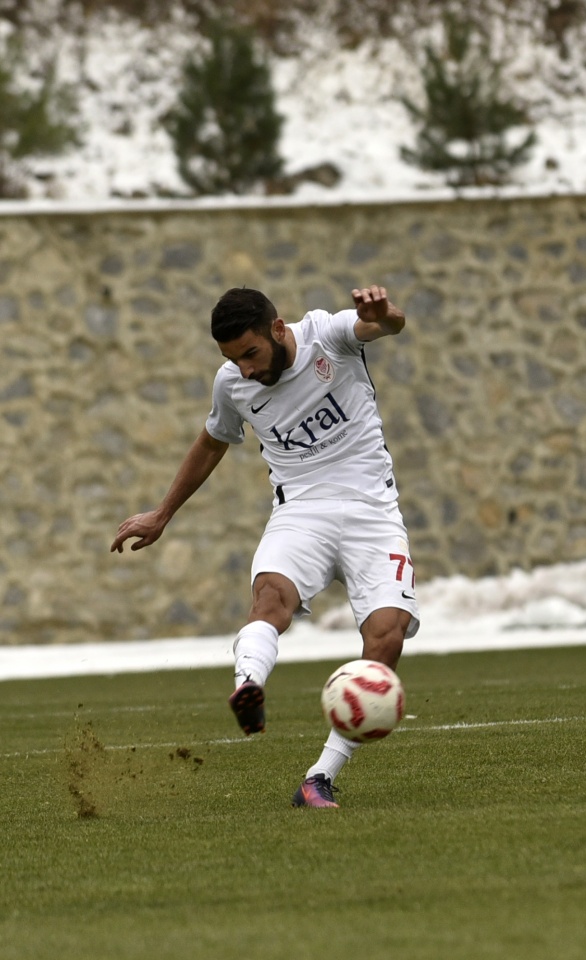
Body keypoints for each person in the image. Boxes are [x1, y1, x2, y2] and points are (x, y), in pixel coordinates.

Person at [111, 285, 418, 809]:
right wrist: (162, 513)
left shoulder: (328, 336)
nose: (245, 369)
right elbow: (212, 441)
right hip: (301, 513)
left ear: (278, 329)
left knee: (386, 638)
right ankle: (247, 685)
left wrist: (383, 314)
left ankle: (318, 778)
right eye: (232, 359)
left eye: (250, 353)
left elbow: (385, 326)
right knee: (270, 600)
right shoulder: (232, 384)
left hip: (373, 513)